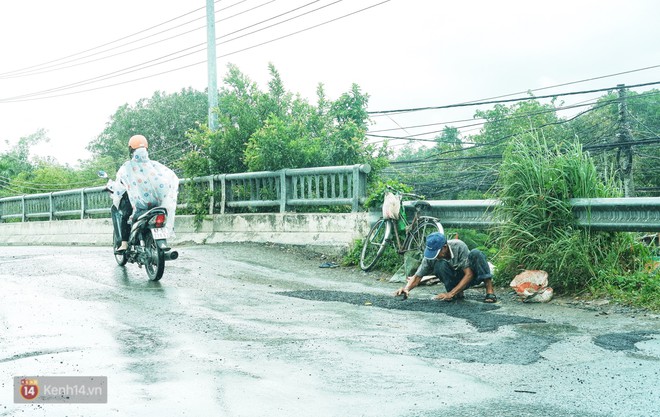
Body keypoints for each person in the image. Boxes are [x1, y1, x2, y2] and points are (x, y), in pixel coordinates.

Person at [112, 134, 179, 253]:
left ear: (131, 150)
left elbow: (119, 185)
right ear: (146, 149)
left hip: (140, 207)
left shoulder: (127, 167)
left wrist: (115, 191)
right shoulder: (155, 165)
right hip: (158, 205)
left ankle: (124, 244)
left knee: (125, 216)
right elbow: (171, 177)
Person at [394, 232, 497, 303]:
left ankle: (490, 291)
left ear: (444, 247)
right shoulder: (430, 257)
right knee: (440, 265)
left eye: (436, 253)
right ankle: (456, 293)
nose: (434, 256)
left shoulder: (459, 246)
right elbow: (417, 277)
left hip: (471, 276)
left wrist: (450, 294)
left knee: (476, 253)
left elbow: (469, 274)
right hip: (454, 278)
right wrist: (406, 289)